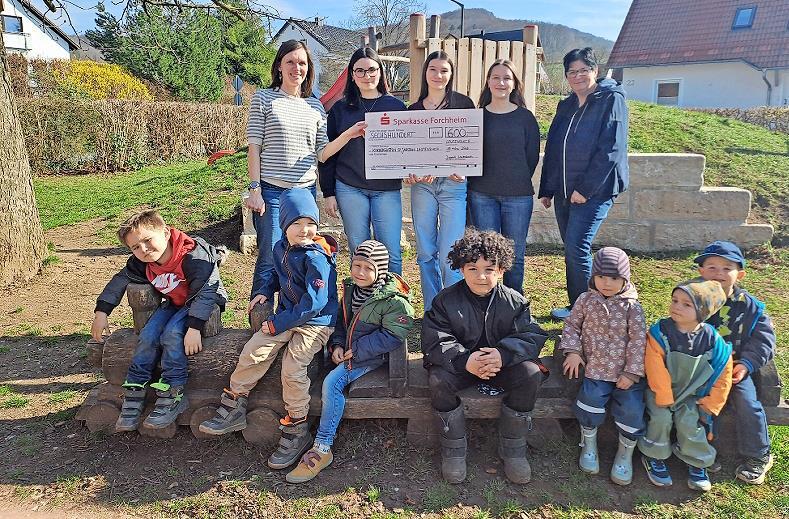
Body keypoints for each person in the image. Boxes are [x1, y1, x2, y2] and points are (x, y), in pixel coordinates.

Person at [200, 189, 338, 470]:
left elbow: (315, 303)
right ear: (284, 225)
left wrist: (279, 323)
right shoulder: (280, 248)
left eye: (310, 223)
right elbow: (277, 273)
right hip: (288, 315)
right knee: (253, 350)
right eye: (297, 223)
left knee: (292, 367)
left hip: (315, 323)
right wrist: (264, 290)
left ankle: (297, 426)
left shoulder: (316, 258)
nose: (305, 230)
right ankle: (234, 404)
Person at [421, 228, 548, 484]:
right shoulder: (445, 301)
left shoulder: (515, 302)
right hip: (461, 366)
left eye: (489, 269)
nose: (481, 276)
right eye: (473, 269)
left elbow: (531, 335)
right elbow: (434, 338)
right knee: (438, 380)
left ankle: (513, 448)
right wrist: (464, 360)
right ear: (461, 269)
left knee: (531, 374)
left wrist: (503, 354)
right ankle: (454, 450)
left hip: (501, 366)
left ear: (501, 270)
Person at [245, 40, 365, 302]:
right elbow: (254, 147)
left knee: (300, 256)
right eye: (290, 61)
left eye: (302, 63)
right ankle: (260, 314)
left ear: (308, 68)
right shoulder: (263, 99)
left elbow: (322, 153)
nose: (296, 67)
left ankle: (294, 314)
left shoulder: (315, 106)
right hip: (272, 192)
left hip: (304, 193)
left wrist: (348, 135)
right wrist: (255, 189)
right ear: (279, 66)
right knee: (270, 257)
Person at [286, 240, 415, 483]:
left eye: (368, 268)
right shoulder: (350, 289)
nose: (360, 272)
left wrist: (356, 351)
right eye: (357, 265)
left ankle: (322, 447)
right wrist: (336, 344)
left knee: (331, 383)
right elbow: (340, 322)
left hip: (371, 356)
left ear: (380, 271)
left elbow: (393, 335)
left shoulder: (394, 300)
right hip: (348, 350)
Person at [91, 210, 227, 431]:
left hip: (202, 302)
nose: (143, 249)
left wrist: (194, 328)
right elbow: (120, 280)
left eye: (147, 240)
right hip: (175, 302)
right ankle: (136, 388)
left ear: (165, 233)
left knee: (172, 334)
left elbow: (205, 293)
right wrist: (102, 312)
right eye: (135, 247)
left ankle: (174, 391)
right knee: (148, 335)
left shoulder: (194, 256)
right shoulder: (142, 262)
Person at [538, 48, 629, 319]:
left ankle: (587, 311)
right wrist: (547, 188)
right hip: (565, 191)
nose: (578, 76)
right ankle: (579, 305)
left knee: (577, 247)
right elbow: (554, 148)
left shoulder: (611, 100)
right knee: (572, 248)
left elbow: (611, 149)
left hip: (596, 191)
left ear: (595, 71)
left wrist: (585, 190)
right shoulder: (566, 105)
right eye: (572, 72)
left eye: (583, 70)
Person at [560, 247, 646, 486]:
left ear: (625, 279)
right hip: (595, 368)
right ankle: (589, 444)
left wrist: (632, 372)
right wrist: (573, 351)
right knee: (590, 401)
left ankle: (625, 453)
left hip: (624, 373)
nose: (607, 283)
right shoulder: (585, 300)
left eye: (614, 278)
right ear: (593, 277)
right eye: (601, 277)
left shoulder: (632, 307)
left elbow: (639, 340)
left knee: (632, 409)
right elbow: (571, 326)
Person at [638, 279, 732, 492]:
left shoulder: (712, 340)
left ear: (703, 312)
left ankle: (697, 461)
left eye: (686, 304)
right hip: (658, 392)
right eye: (674, 300)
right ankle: (653, 455)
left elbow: (723, 372)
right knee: (660, 419)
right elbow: (654, 365)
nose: (676, 307)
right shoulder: (660, 332)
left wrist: (712, 403)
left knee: (689, 422)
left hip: (690, 395)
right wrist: (663, 396)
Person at [694, 241, 776, 484]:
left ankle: (758, 454)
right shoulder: (692, 299)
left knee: (747, 402)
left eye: (726, 268)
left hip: (734, 367)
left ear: (739, 274)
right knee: (692, 400)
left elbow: (764, 340)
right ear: (701, 271)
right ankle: (700, 449)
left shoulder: (750, 307)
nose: (718, 273)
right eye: (712, 267)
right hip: (699, 367)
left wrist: (747, 364)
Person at [319, 48, 407, 274]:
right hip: (350, 187)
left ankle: (392, 296)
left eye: (372, 70)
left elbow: (407, 147)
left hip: (387, 189)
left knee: (391, 252)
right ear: (352, 74)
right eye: (360, 71)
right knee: (359, 250)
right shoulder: (340, 109)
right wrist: (328, 192)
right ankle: (362, 296)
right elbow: (328, 155)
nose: (367, 76)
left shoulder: (396, 107)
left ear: (380, 72)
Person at [405, 50, 476, 310]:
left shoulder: (464, 104)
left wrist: (464, 169)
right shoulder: (412, 110)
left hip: (453, 185)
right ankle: (432, 309)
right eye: (433, 69)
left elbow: (473, 144)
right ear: (425, 73)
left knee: (451, 251)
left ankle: (454, 309)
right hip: (422, 187)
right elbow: (407, 151)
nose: (438, 75)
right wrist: (408, 172)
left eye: (444, 70)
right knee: (425, 250)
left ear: (451, 74)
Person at [468, 59, 540, 295]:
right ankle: (487, 301)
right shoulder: (476, 117)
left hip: (518, 197)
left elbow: (531, 157)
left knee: (514, 257)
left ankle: (513, 303)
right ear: (488, 82)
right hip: (482, 195)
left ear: (514, 84)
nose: (501, 82)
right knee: (487, 255)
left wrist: (514, 178)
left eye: (507, 78)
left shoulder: (525, 118)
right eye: (496, 77)